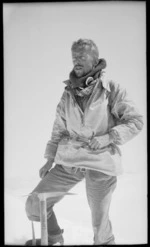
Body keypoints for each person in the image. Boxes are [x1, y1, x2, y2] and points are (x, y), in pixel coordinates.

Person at [25, 39, 143, 245]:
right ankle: (53, 236)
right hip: (70, 160)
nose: (76, 60)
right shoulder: (68, 93)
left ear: (95, 60)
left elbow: (136, 121)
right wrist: (49, 159)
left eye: (81, 56)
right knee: (35, 203)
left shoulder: (111, 89)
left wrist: (107, 137)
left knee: (100, 225)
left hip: (101, 162)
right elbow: (58, 130)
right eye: (74, 56)